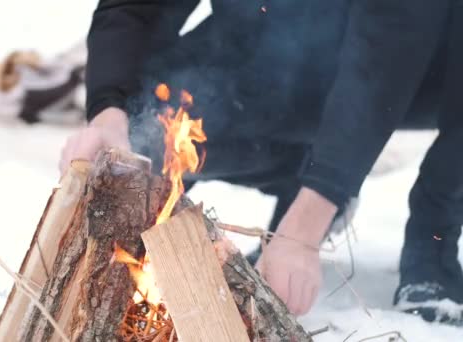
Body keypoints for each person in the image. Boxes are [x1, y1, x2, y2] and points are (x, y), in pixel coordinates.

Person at [60, 0, 463, 324]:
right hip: (277, 47)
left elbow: (389, 49)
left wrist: (307, 224)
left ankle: (432, 246)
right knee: (155, 108)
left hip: (424, 60)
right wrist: (111, 112)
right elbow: (137, 8)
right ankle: (301, 175)